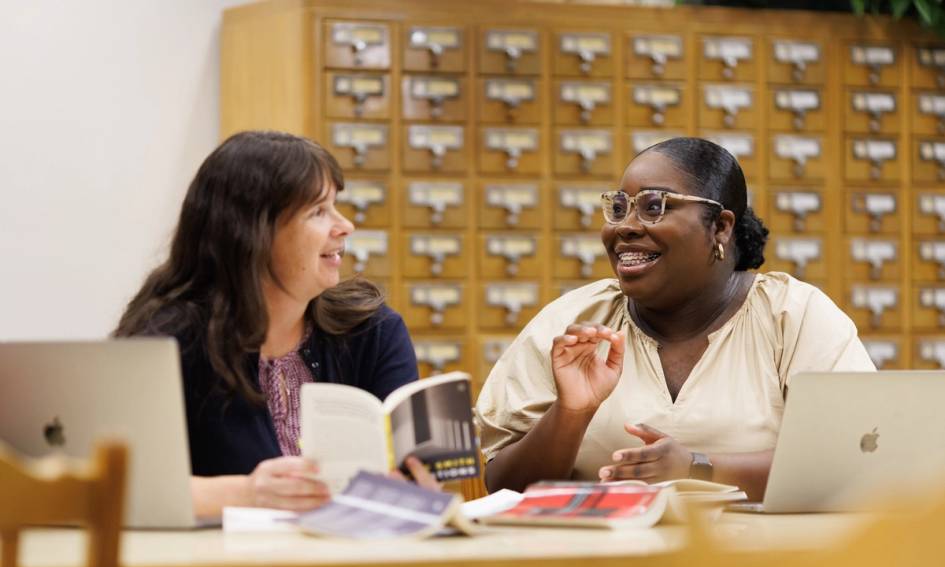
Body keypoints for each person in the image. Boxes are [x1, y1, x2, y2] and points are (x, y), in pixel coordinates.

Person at [476, 137, 875, 500]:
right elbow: (502, 485)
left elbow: (852, 461)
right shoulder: (572, 322)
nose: (626, 227)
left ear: (720, 227)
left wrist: (698, 468)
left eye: (655, 207)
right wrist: (570, 414)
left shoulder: (795, 316)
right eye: (619, 208)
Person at [115, 130, 432, 519]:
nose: (345, 225)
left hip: (354, 566)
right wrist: (247, 492)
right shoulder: (169, 339)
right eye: (318, 211)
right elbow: (123, 488)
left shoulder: (372, 331)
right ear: (253, 232)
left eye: (336, 206)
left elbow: (411, 478)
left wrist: (412, 486)